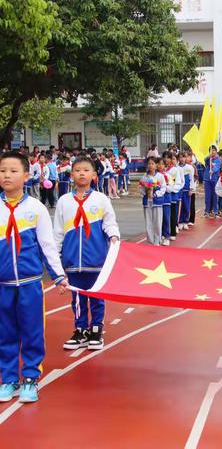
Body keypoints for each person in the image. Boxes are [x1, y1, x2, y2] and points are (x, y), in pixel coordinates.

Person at [0, 152, 67, 403]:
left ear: (26, 176)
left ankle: (30, 378)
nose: (7, 175)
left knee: (32, 331)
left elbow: (47, 245)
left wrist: (59, 276)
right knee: (4, 332)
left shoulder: (35, 208)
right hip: (3, 284)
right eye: (3, 170)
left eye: (13, 170)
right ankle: (8, 378)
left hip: (29, 284)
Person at [54, 156, 120, 352]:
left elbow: (110, 223)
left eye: (86, 170)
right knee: (77, 298)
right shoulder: (64, 201)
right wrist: (56, 258)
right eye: (77, 170)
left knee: (97, 296)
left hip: (97, 260)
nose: (81, 173)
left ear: (93, 174)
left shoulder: (101, 199)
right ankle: (81, 329)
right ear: (71, 174)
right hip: (72, 261)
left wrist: (114, 237)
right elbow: (57, 232)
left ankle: (97, 330)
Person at [140, 157, 166, 245]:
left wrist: (155, 194)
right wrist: (145, 191)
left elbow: (163, 188)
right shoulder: (144, 177)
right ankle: (150, 241)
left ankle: (157, 240)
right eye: (149, 164)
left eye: (152, 164)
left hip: (157, 201)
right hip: (147, 202)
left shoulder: (160, 176)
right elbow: (141, 189)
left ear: (156, 165)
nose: (150, 165)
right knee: (148, 222)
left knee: (158, 222)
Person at [178, 151, 195, 230]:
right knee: (180, 207)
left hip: (187, 190)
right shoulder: (177, 168)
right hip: (179, 190)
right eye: (180, 157)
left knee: (186, 206)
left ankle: (185, 221)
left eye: (183, 157)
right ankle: (180, 222)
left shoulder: (189, 168)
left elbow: (192, 179)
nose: (182, 159)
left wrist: (191, 189)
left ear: (186, 158)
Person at [204, 145, 222, 218]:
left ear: (216, 151)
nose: (213, 152)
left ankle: (215, 211)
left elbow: (217, 167)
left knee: (215, 196)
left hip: (215, 180)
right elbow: (205, 160)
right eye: (211, 150)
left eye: (214, 150)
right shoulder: (209, 159)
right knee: (208, 196)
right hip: (207, 179)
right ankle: (207, 211)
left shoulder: (218, 159)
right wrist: (209, 157)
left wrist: (213, 170)